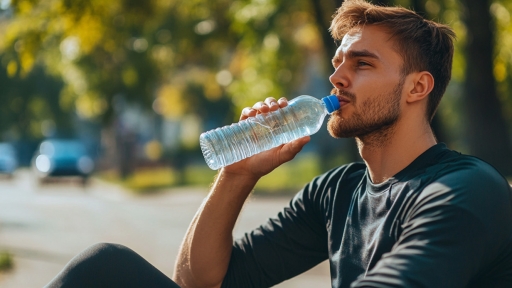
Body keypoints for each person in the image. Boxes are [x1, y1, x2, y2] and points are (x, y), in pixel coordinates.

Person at [46, 0, 512, 287]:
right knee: (103, 269)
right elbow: (200, 281)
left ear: (416, 88)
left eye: (362, 64)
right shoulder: (338, 191)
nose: (336, 76)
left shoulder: (465, 191)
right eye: (337, 62)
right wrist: (237, 173)